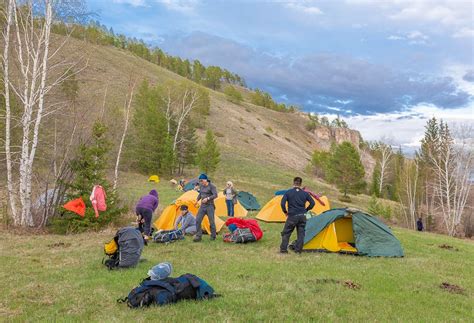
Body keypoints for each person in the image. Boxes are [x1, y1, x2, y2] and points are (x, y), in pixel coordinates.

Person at [280, 177, 315, 254]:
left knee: (286, 233)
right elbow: (313, 203)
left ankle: (283, 250)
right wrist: (306, 210)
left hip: (292, 215)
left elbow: (282, 203)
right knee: (301, 234)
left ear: (293, 183)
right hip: (302, 216)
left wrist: (285, 212)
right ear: (300, 184)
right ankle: (298, 251)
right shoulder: (305, 193)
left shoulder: (288, 192)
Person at [193, 173, 218, 242]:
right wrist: (196, 200)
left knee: (211, 221)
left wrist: (207, 198)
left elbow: (215, 195)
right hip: (202, 206)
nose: (201, 182)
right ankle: (198, 236)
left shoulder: (212, 186)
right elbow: (200, 194)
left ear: (206, 179)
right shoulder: (201, 186)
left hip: (210, 206)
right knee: (198, 220)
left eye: (201, 180)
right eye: (200, 181)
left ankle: (213, 236)